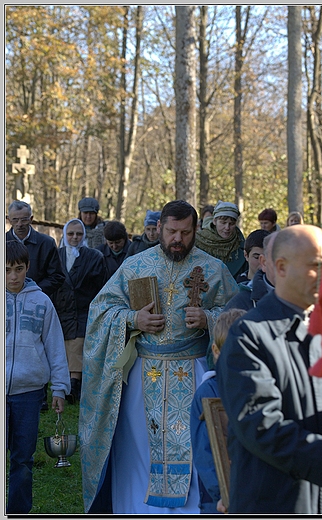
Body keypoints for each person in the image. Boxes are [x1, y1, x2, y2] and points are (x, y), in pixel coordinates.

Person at [79, 200, 239, 514]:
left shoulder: (213, 269)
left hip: (194, 370)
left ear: (195, 231)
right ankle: (137, 509)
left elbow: (238, 316)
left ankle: (195, 509)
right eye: (170, 231)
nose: (177, 239)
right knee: (138, 447)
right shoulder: (135, 266)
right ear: (160, 229)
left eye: (184, 232)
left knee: (196, 444)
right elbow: (100, 311)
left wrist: (209, 317)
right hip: (144, 374)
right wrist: (131, 319)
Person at [217, 225, 322, 514]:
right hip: (276, 501)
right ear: (282, 267)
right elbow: (261, 425)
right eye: (316, 266)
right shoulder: (247, 336)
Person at [6, 240, 70, 514]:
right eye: (6, 269)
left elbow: (55, 346)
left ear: (28, 267)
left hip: (29, 393)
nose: (13, 276)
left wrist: (59, 388)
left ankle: (18, 512)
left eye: (18, 269)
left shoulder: (42, 301)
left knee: (22, 459)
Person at [6, 200, 65, 411]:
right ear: (8, 220)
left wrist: (32, 293)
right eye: (15, 220)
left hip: (36, 299)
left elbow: (58, 276)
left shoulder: (46, 243)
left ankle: (39, 397)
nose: (20, 224)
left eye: (24, 219)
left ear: (31, 219)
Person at [190, 308, 246, 514]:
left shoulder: (260, 387)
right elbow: (205, 452)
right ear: (216, 351)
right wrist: (222, 493)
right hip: (218, 501)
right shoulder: (208, 392)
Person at [51, 219, 107, 403]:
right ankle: (66, 385)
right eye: (71, 234)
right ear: (65, 235)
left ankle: (74, 386)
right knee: (62, 348)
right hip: (60, 310)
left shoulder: (94, 256)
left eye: (79, 234)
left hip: (84, 311)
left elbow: (101, 286)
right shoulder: (55, 255)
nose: (75, 237)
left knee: (77, 345)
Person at [224, 231, 278, 311]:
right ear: (246, 255)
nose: (262, 262)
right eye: (256, 257)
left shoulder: (281, 289)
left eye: (267, 258)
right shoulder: (235, 290)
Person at [195, 200, 247, 280]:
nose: (227, 228)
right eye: (223, 222)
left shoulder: (240, 244)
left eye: (231, 224)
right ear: (215, 221)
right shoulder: (199, 241)